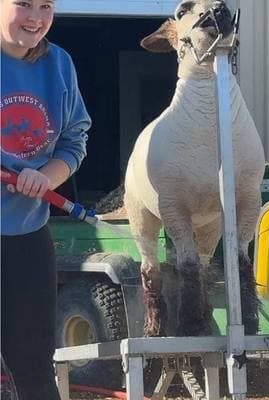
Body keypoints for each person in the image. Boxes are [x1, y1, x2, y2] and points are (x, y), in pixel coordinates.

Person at [0, 0, 91, 398]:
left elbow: (74, 141)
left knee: (35, 365)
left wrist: (45, 177)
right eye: (22, 4)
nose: (35, 18)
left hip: (27, 233)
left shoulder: (59, 65)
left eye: (46, 6)